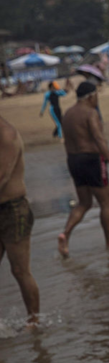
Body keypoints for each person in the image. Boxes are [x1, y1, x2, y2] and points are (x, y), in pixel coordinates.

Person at [57, 82, 109, 258]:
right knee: (105, 203)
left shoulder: (68, 114)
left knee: (84, 203)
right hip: (92, 160)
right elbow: (99, 139)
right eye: (96, 96)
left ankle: (65, 234)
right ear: (91, 96)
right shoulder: (90, 113)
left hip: (73, 160)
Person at [0, 116, 40, 324]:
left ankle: (34, 321)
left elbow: (2, 176)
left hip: (13, 210)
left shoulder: (6, 134)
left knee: (20, 270)